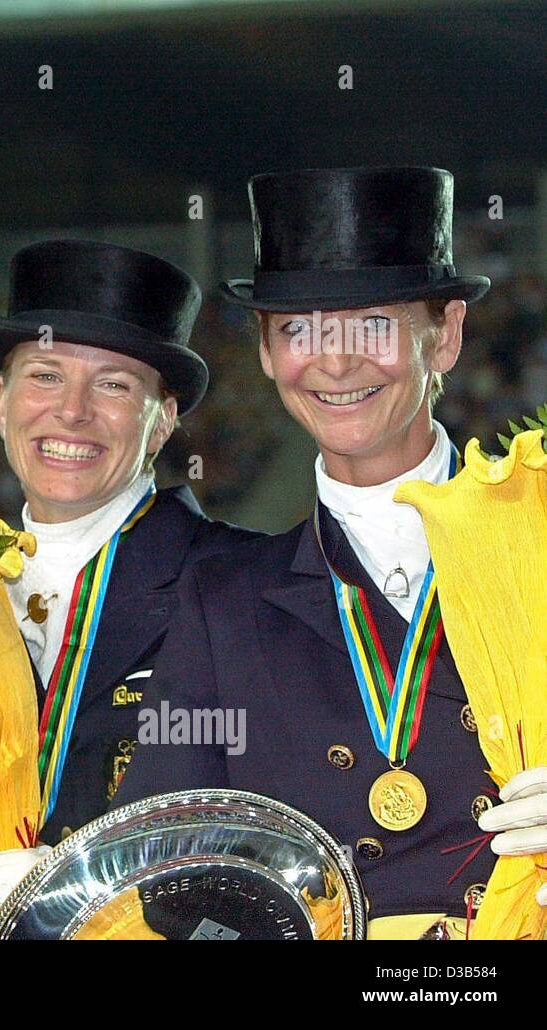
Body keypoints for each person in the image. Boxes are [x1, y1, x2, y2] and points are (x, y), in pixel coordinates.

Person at [118, 166, 547, 937]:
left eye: (374, 325)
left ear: (444, 335)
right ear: (264, 350)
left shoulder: (539, 538)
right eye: (299, 328)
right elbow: (165, 869)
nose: (336, 361)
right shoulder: (220, 599)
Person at [0, 239, 257, 927]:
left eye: (115, 385)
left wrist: (93, 893)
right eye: (43, 376)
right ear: (2, 401)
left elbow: (272, 848)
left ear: (164, 419)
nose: (71, 412)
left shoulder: (243, 587)